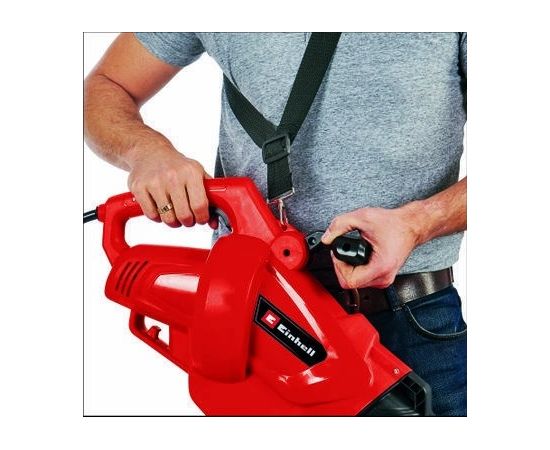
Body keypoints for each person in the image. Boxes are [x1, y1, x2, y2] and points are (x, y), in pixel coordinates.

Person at [84, 32, 467, 416]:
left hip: (411, 319)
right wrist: (147, 152)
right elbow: (105, 86)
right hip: (248, 321)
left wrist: (418, 223)